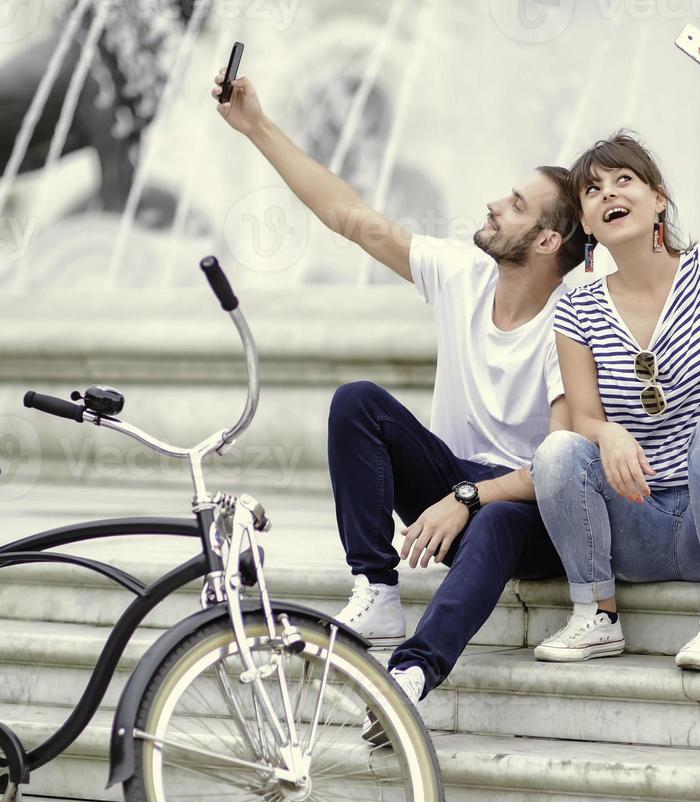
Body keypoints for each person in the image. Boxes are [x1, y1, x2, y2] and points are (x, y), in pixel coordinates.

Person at [211, 68, 584, 730]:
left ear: (550, 242)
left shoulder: (572, 320)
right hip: (449, 496)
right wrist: (256, 127)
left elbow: (558, 470)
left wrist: (468, 497)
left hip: (528, 514)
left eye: (517, 205)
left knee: (496, 521)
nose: (495, 205)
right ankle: (376, 586)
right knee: (357, 402)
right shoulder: (463, 275)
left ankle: (409, 676)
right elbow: (349, 218)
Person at [531, 46, 700, 671]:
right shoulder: (578, 306)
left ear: (658, 200)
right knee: (558, 450)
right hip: (638, 525)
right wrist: (608, 434)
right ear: (587, 222)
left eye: (624, 181)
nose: (608, 194)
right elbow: (582, 416)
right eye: (592, 190)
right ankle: (596, 614)